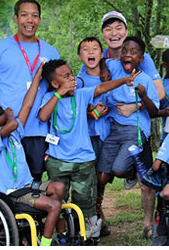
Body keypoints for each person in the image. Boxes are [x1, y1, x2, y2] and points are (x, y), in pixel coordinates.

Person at [0, 0, 60, 207]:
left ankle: (24, 234)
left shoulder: (51, 52)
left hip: (38, 130)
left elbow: (59, 90)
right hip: (4, 130)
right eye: (24, 15)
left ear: (40, 20)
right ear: (15, 19)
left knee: (32, 185)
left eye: (34, 16)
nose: (29, 20)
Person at [38, 59, 140, 241]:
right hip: (58, 160)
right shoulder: (49, 98)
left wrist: (124, 80)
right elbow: (43, 116)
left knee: (85, 200)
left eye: (72, 75)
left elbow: (102, 88)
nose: (73, 79)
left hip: (84, 160)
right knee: (58, 199)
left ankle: (84, 234)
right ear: (54, 83)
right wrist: (59, 93)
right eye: (66, 76)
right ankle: (62, 235)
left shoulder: (81, 95)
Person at [0, 65, 65, 247]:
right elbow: (11, 125)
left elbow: (27, 104)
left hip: (27, 186)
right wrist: (9, 116)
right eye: (2, 114)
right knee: (54, 206)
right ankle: (46, 244)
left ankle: (60, 234)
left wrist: (38, 77)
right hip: (11, 193)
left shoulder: (13, 133)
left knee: (59, 187)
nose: (7, 112)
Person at [97, 36, 159, 239]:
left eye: (133, 52)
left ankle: (132, 173)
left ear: (141, 58)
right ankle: (97, 219)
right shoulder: (114, 72)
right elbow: (100, 60)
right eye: (125, 51)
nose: (127, 54)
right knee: (102, 176)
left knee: (119, 169)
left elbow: (154, 111)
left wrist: (142, 97)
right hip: (113, 130)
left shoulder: (145, 80)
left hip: (135, 131)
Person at [75, 37, 112, 236]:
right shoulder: (78, 81)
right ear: (80, 56)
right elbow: (73, 108)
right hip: (87, 136)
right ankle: (91, 221)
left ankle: (97, 216)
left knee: (101, 178)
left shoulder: (110, 77)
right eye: (86, 49)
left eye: (95, 48)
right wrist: (91, 111)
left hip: (107, 135)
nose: (91, 52)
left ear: (101, 54)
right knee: (88, 180)